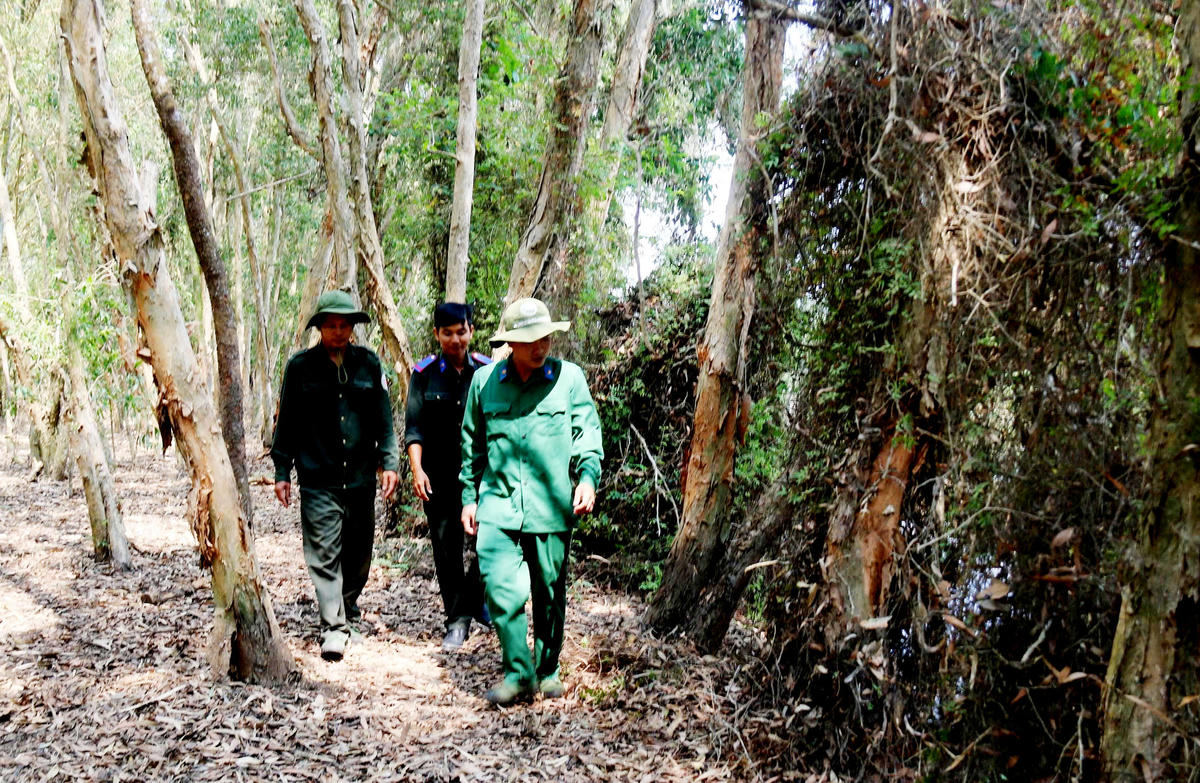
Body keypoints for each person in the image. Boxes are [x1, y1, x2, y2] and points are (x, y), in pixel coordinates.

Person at [460, 297, 603, 705]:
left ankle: (548, 669)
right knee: (501, 587)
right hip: (499, 504)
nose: (540, 347)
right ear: (510, 344)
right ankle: (518, 673)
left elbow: (587, 434)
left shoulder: (569, 378)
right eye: (530, 341)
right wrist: (469, 497)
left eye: (545, 338)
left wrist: (588, 479)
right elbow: (471, 445)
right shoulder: (484, 382)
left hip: (551, 505)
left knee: (550, 590)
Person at [271, 290, 400, 662]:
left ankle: (346, 610)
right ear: (320, 328)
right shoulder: (300, 368)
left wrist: (388, 463)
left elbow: (384, 421)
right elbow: (287, 424)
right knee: (323, 554)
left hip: (359, 480)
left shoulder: (369, 364)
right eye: (331, 326)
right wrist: (282, 470)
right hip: (318, 479)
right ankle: (333, 628)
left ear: (353, 328)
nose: (338, 332)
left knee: (358, 555)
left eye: (344, 325)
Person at [404, 302, 492, 651]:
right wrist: (416, 469)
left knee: (491, 542)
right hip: (438, 478)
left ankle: (476, 597)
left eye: (461, 332)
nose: (455, 340)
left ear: (471, 331)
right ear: (437, 334)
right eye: (447, 333)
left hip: (481, 477)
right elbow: (414, 428)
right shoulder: (424, 374)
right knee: (447, 550)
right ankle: (456, 619)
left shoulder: (488, 372)